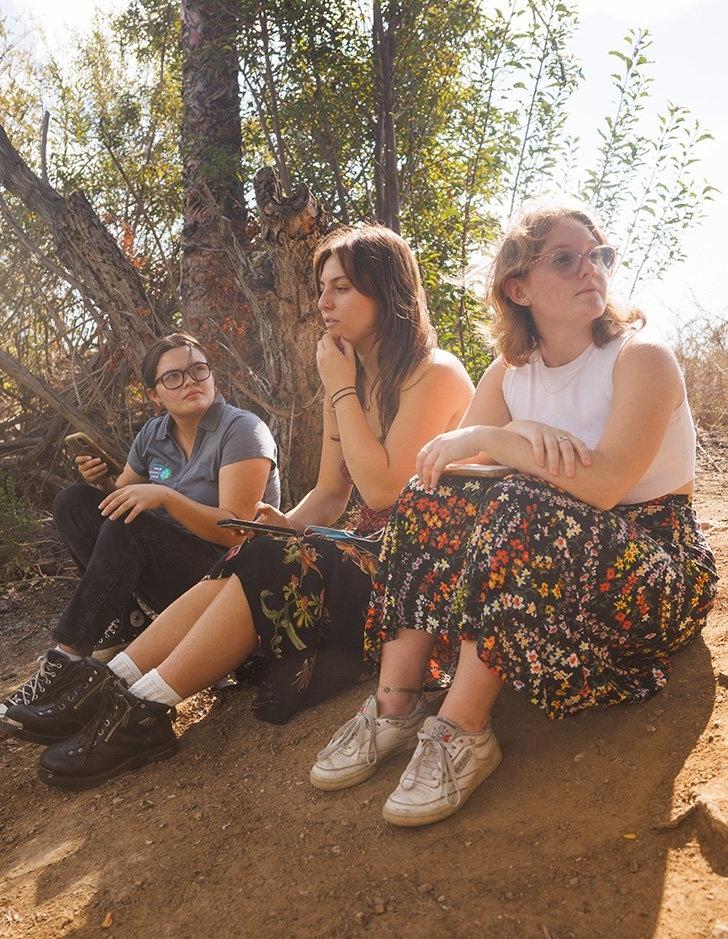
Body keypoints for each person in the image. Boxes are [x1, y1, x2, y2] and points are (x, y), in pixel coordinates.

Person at [1, 224, 474, 790]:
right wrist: (284, 525)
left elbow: (382, 493)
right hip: (365, 554)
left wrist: (341, 388)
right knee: (260, 547)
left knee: (266, 559)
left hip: (417, 576)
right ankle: (115, 689)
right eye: (322, 287)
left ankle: (145, 710)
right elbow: (330, 494)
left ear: (388, 291)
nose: (322, 303)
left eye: (341, 287)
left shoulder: (434, 372)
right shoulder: (346, 382)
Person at [310, 197, 719, 827]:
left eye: (598, 255)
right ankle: (396, 705)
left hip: (654, 568)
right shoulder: (509, 371)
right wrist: (514, 432)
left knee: (519, 502)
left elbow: (606, 485)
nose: (592, 270)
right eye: (566, 259)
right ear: (518, 287)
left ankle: (464, 729)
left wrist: (505, 441)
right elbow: (443, 471)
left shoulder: (642, 358)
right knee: (429, 499)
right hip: (555, 557)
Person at [0, 332, 280, 736]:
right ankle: (126, 620)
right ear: (154, 393)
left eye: (198, 370)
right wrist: (104, 482)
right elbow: (120, 501)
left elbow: (237, 532)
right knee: (74, 502)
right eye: (174, 377)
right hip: (170, 577)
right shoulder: (153, 434)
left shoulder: (241, 430)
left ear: (212, 376)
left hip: (227, 581)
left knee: (131, 528)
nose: (189, 382)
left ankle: (66, 659)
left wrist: (165, 497)